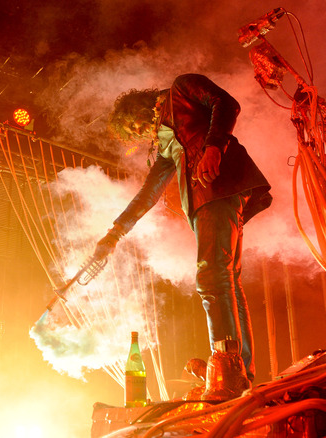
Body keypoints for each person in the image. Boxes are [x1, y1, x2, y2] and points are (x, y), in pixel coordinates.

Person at [95, 73, 272, 400]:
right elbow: (148, 194)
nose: (141, 134)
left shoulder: (181, 89)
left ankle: (229, 373)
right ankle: (240, 373)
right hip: (209, 200)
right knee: (227, 278)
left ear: (142, 108)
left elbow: (227, 104)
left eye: (135, 126)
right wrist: (114, 232)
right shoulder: (166, 142)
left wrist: (213, 147)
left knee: (212, 276)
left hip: (218, 190)